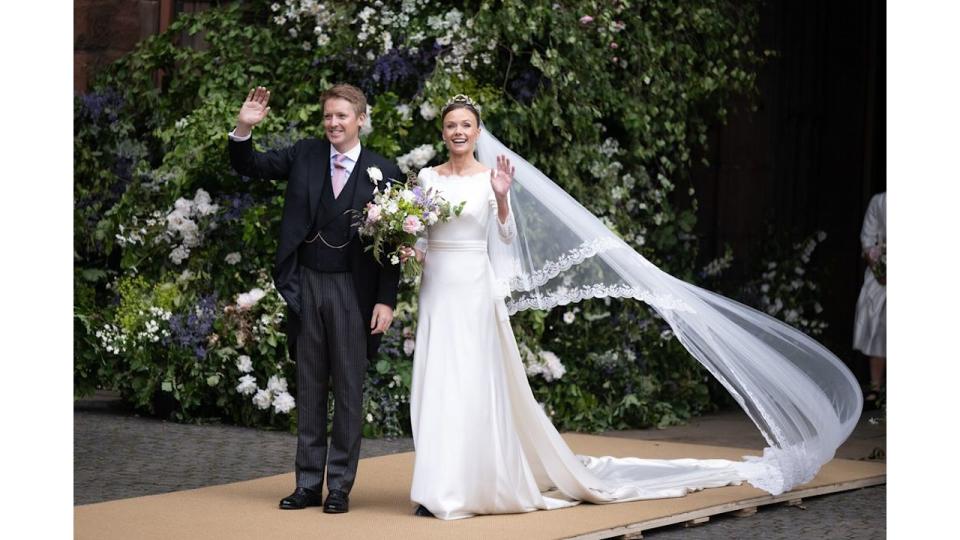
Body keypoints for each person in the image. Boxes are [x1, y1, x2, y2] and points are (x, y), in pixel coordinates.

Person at [398, 95, 862, 520]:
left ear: (478, 131)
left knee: (474, 385)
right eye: (451, 125)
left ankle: (472, 486)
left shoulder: (490, 179)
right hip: (438, 290)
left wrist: (502, 199)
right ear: (443, 133)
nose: (458, 131)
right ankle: (436, 487)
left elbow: (504, 241)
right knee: (435, 382)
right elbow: (420, 237)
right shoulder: (426, 178)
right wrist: (405, 246)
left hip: (475, 289)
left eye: (466, 124)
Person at [227, 84, 403, 514]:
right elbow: (250, 165)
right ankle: (307, 484)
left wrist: (386, 300)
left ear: (360, 118)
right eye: (327, 116)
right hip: (306, 285)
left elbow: (397, 242)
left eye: (341, 116)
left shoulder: (384, 169)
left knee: (347, 390)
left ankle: (339, 487)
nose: (333, 123)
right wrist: (243, 129)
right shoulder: (304, 155)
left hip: (353, 291)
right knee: (309, 388)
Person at [853, 191, 886, 405]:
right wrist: (879, 268)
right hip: (881, 275)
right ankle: (876, 388)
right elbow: (868, 236)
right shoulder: (880, 201)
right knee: (878, 327)